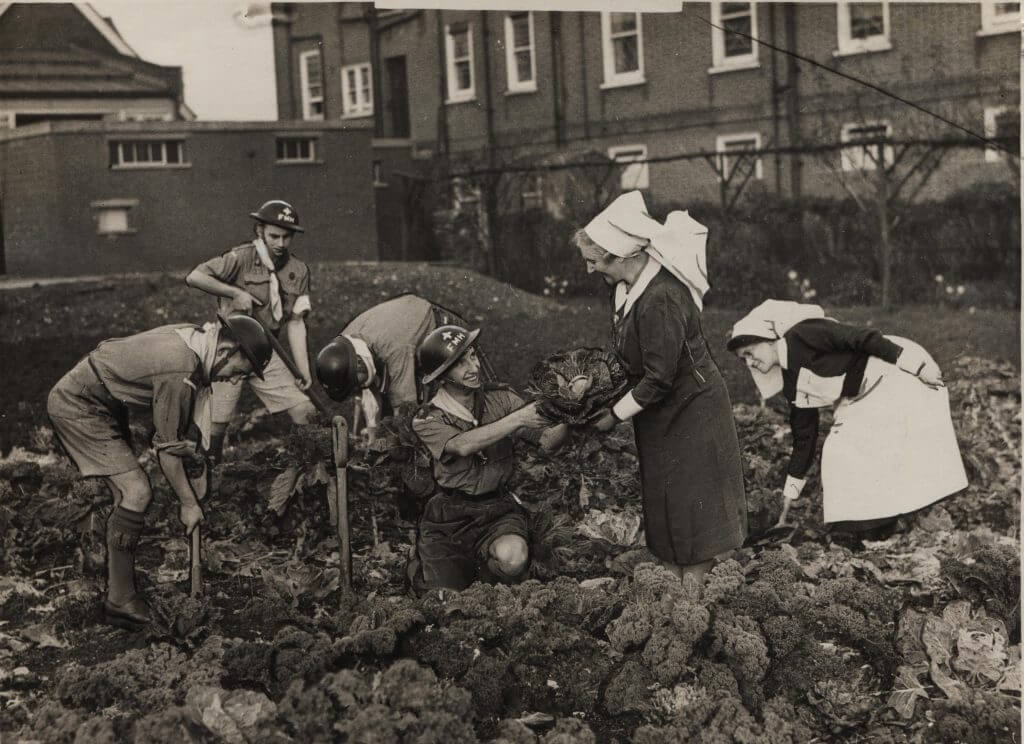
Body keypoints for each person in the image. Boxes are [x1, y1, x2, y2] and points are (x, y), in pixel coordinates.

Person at [46, 314, 273, 629]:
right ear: (226, 351)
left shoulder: (196, 341)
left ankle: (113, 576)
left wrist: (194, 463)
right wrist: (189, 504)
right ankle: (120, 602)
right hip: (79, 404)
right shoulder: (181, 370)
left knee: (124, 495)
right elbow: (166, 450)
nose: (235, 380)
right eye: (239, 371)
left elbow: (181, 428)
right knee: (136, 492)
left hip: (103, 398)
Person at [576, 190, 746, 584]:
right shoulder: (626, 288)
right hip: (661, 410)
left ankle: (695, 583)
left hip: (692, 409)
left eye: (593, 261)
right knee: (666, 494)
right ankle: (676, 572)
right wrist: (598, 381)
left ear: (624, 255)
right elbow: (632, 355)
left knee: (691, 499)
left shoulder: (661, 299)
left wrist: (613, 415)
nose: (589, 271)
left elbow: (659, 377)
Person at [726, 299, 968, 536]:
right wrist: (789, 496)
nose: (750, 362)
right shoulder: (791, 384)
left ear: (768, 340)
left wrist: (917, 367)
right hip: (862, 394)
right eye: (743, 359)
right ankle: (863, 527)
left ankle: (878, 524)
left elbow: (863, 337)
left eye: (750, 352)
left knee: (877, 445)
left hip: (892, 370)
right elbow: (805, 437)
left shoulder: (804, 333)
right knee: (838, 452)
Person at [409, 324, 568, 592]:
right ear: (442, 376)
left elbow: (548, 441)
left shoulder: (501, 399)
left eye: (472, 356)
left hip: (497, 509)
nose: (474, 367)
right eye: (460, 364)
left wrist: (572, 409)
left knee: (513, 558)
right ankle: (423, 569)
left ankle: (486, 576)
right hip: (449, 517)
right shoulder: (428, 418)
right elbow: (462, 446)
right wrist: (517, 419)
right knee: (444, 601)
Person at [185, 200, 316, 464]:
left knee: (305, 410)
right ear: (260, 232)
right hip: (229, 350)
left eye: (287, 237)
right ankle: (209, 478)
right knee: (216, 426)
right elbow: (195, 277)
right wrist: (235, 292)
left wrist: (303, 371)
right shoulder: (241, 257)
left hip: (266, 351)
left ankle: (309, 468)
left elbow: (296, 322)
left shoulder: (298, 271)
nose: (280, 243)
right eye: (274, 236)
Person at [314, 293, 495, 438]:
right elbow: (366, 392)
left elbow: (405, 408)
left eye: (354, 386)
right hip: (403, 323)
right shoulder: (343, 345)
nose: (356, 392)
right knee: (388, 410)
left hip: (439, 327)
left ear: (360, 364)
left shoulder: (395, 350)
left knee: (472, 395)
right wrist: (371, 430)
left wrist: (397, 444)